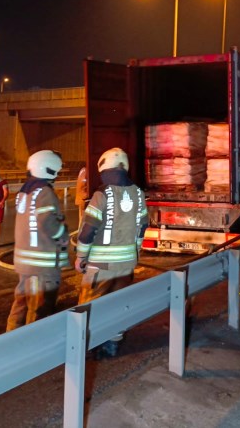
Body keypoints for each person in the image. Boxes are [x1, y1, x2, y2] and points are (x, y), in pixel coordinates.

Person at [74, 148, 148, 358]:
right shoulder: (138, 194)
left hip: (101, 265)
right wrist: (135, 251)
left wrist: (80, 256)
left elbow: (88, 229)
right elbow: (142, 226)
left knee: (89, 306)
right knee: (118, 304)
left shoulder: (101, 194)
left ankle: (86, 347)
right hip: (126, 264)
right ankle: (113, 343)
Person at [5, 150, 69, 331]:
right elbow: (47, 222)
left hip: (25, 263)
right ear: (48, 168)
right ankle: (34, 349)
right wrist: (62, 233)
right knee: (39, 311)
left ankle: (10, 343)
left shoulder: (25, 191)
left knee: (21, 306)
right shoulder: (44, 192)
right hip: (42, 264)